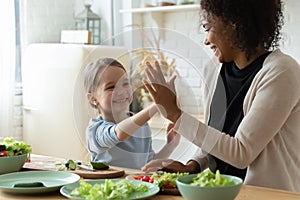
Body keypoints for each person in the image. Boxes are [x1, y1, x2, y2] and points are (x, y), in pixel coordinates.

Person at [142, 0, 300, 192]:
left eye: (208, 28)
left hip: (266, 195)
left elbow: (241, 152)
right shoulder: (213, 69)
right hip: (220, 192)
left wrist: (175, 114)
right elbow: (216, 140)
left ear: (233, 23)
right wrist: (193, 165)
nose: (206, 40)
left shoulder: (282, 72)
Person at [83, 57, 180, 169]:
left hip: (135, 185)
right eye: (111, 87)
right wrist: (157, 104)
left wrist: (171, 145)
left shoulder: (143, 126)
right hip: (107, 185)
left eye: (125, 83)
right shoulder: (95, 130)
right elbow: (120, 133)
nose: (121, 91)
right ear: (93, 98)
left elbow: (147, 164)